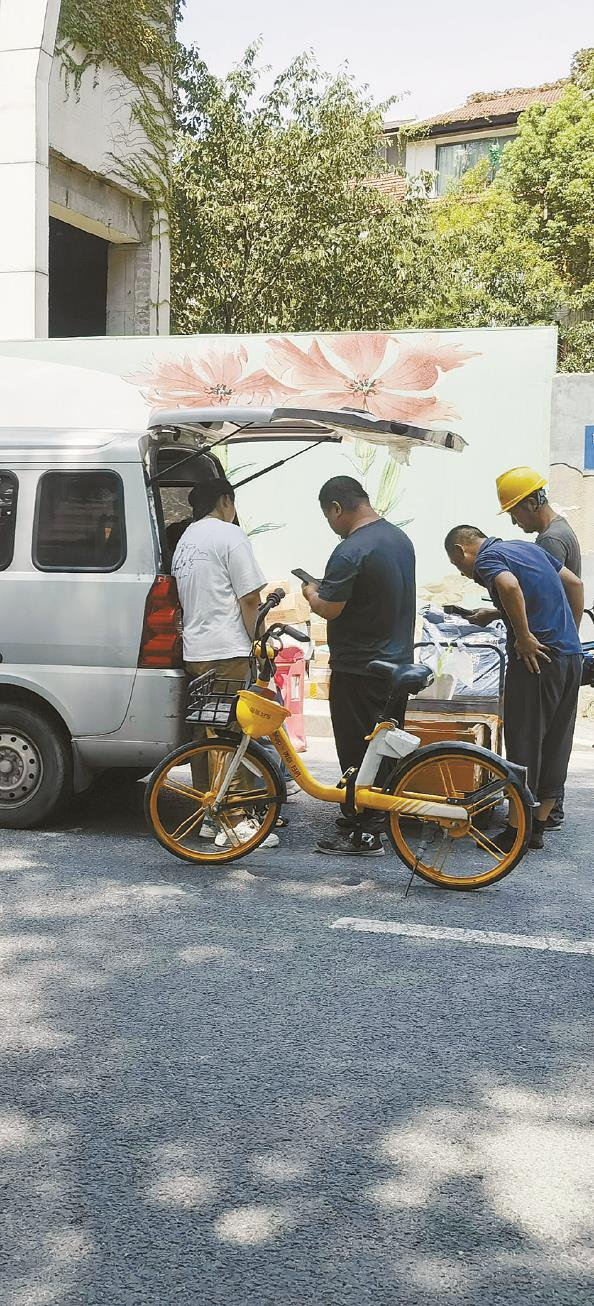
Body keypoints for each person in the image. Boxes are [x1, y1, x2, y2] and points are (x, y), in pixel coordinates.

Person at [444, 525, 583, 851]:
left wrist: (523, 635)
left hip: (536, 660)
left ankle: (516, 831)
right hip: (568, 657)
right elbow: (573, 583)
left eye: (458, 567)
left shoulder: (488, 558)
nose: (466, 575)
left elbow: (508, 585)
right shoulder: (528, 548)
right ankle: (536, 828)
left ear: (461, 551)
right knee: (556, 741)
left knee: (524, 740)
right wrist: (567, 635)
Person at [302, 476, 416, 858]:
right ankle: (379, 820)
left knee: (356, 752)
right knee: (382, 751)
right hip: (396, 663)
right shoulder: (400, 539)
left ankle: (363, 832)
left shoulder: (351, 550)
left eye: (327, 516)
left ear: (336, 507)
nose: (330, 524)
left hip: (360, 666)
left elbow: (330, 607)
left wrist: (311, 593)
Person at [172, 477, 286, 848]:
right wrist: (260, 639)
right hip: (228, 650)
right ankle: (235, 821)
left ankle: (209, 816)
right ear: (226, 500)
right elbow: (250, 598)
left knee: (207, 734)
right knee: (233, 736)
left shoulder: (185, 541)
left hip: (196, 653)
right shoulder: (230, 535)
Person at [496, 465, 582, 828]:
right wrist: (568, 637)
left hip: (544, 653)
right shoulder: (562, 531)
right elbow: (572, 589)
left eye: (515, 511)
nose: (515, 522)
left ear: (532, 503)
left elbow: (541, 592)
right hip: (563, 651)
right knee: (555, 734)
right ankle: (547, 809)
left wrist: (545, 637)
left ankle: (526, 819)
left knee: (529, 734)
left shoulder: (549, 541)